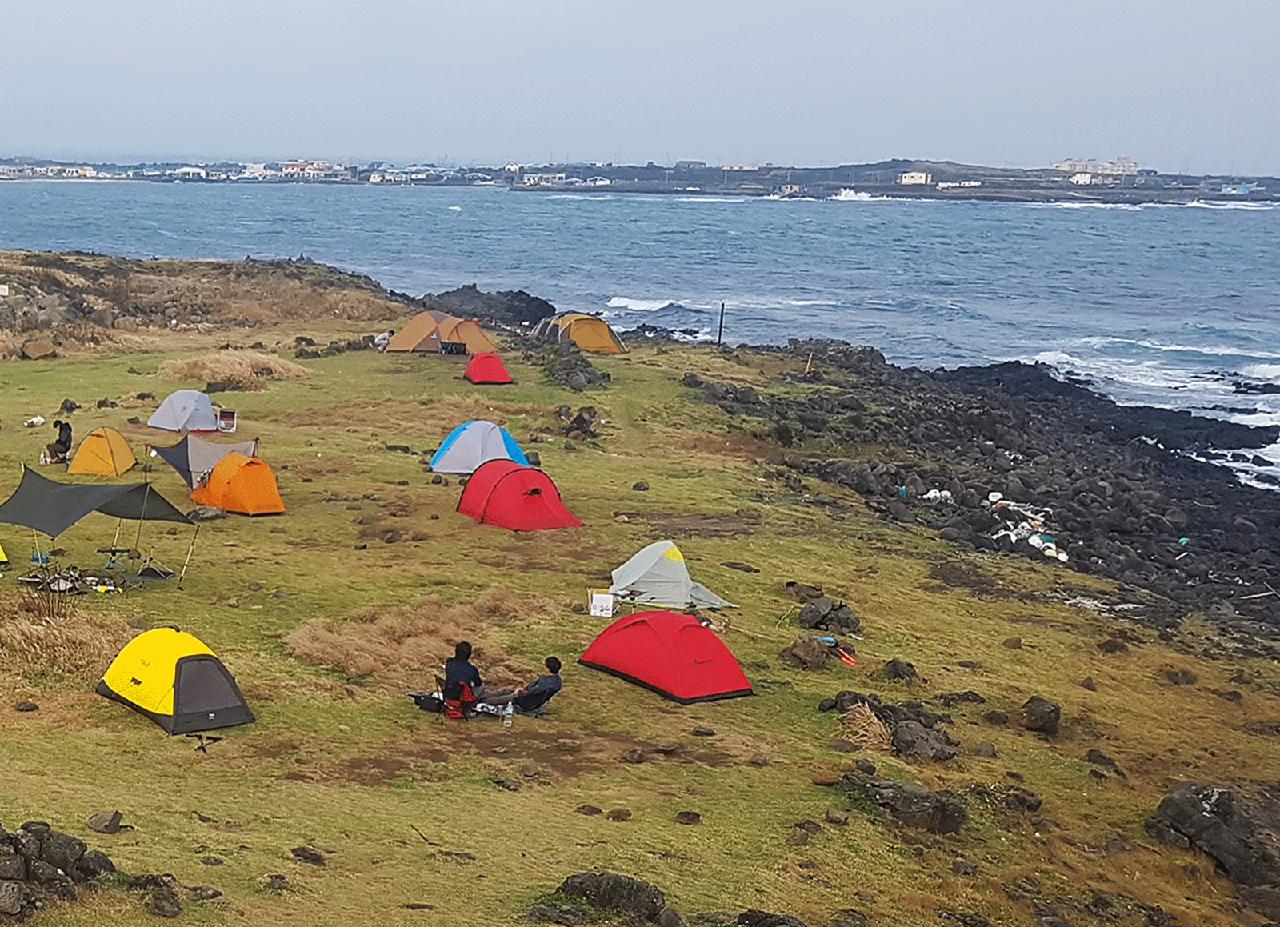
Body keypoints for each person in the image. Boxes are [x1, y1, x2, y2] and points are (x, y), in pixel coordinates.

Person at [482, 656, 563, 714]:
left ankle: (485, 700)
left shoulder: (544, 682)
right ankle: (487, 695)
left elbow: (531, 693)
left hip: (526, 702)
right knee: (507, 690)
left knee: (506, 696)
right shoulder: (558, 681)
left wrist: (519, 692)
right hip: (532, 700)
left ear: (547, 668)